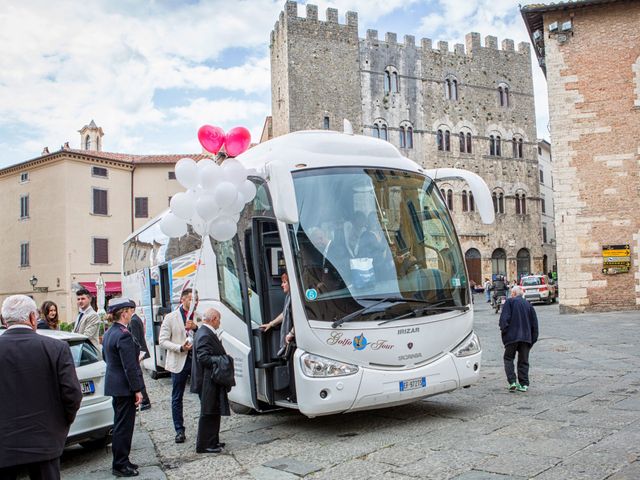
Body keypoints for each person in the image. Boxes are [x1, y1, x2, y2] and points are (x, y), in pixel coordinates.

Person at [0, 295, 82, 480]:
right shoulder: (56, 348)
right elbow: (73, 394)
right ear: (32, 318)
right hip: (44, 439)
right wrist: (62, 422)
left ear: (3, 320)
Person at [102, 297, 145, 477]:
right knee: (124, 427)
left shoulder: (109, 333)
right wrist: (137, 390)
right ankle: (120, 464)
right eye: (130, 311)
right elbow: (130, 366)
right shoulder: (124, 334)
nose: (131, 314)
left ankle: (123, 460)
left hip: (114, 384)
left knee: (120, 424)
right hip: (124, 386)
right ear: (124, 313)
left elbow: (106, 357)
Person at [159, 288, 200, 443]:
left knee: (203, 394)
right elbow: (162, 341)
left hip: (195, 360)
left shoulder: (199, 317)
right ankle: (179, 430)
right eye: (191, 299)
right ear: (183, 300)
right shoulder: (170, 317)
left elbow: (206, 335)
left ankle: (204, 429)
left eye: (196, 299)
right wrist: (180, 347)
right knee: (177, 397)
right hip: (179, 361)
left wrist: (196, 328)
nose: (194, 302)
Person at [191, 308, 234, 453]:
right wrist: (222, 359)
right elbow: (203, 358)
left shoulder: (203, 332)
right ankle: (205, 445)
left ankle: (213, 441)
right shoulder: (204, 334)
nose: (219, 323)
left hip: (210, 380)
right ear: (214, 318)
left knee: (214, 410)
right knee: (208, 412)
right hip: (207, 380)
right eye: (219, 320)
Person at [260, 272, 296, 402]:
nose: (281, 285)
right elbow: (284, 314)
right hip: (292, 337)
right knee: (291, 366)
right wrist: (271, 323)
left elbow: (298, 317)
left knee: (293, 367)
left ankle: (295, 396)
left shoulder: (294, 298)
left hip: (294, 338)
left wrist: (291, 333)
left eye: (284, 282)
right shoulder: (290, 298)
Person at [499, 286, 539, 392]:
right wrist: (532, 340)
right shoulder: (529, 305)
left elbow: (504, 320)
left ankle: (512, 382)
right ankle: (524, 384)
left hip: (512, 336)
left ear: (513, 293)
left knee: (508, 358)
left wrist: (505, 333)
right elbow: (535, 325)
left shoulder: (509, 302)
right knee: (523, 361)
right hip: (526, 337)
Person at [128, 311, 151, 410]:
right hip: (140, 351)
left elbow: (135, 338)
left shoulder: (133, 320)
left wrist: (136, 354)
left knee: (138, 377)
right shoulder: (136, 318)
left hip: (138, 353)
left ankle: (145, 400)